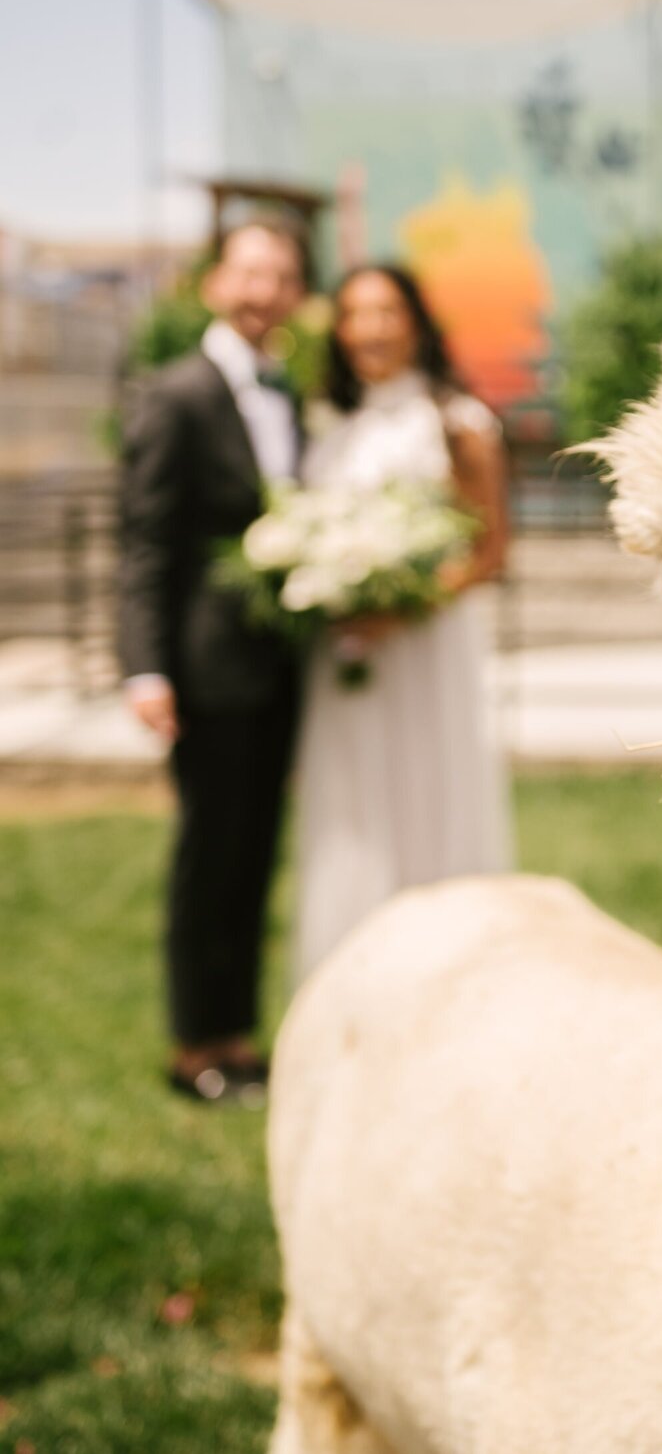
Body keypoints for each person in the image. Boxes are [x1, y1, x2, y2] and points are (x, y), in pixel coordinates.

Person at [117, 214, 308, 1103]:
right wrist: (145, 667)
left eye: (281, 276)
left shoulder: (293, 391)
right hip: (203, 669)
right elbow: (146, 542)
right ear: (214, 283)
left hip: (280, 667)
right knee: (209, 857)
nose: (264, 290)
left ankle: (237, 1037)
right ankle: (195, 1044)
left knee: (255, 852)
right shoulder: (176, 392)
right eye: (250, 272)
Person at [294, 264, 510, 982]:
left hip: (424, 649)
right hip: (347, 654)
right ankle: (351, 972)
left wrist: (403, 606)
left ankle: (447, 974)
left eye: (386, 311)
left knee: (427, 796)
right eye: (355, 314)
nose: (371, 329)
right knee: (354, 808)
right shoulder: (331, 430)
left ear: (415, 320)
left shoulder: (457, 422)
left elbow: (488, 551)